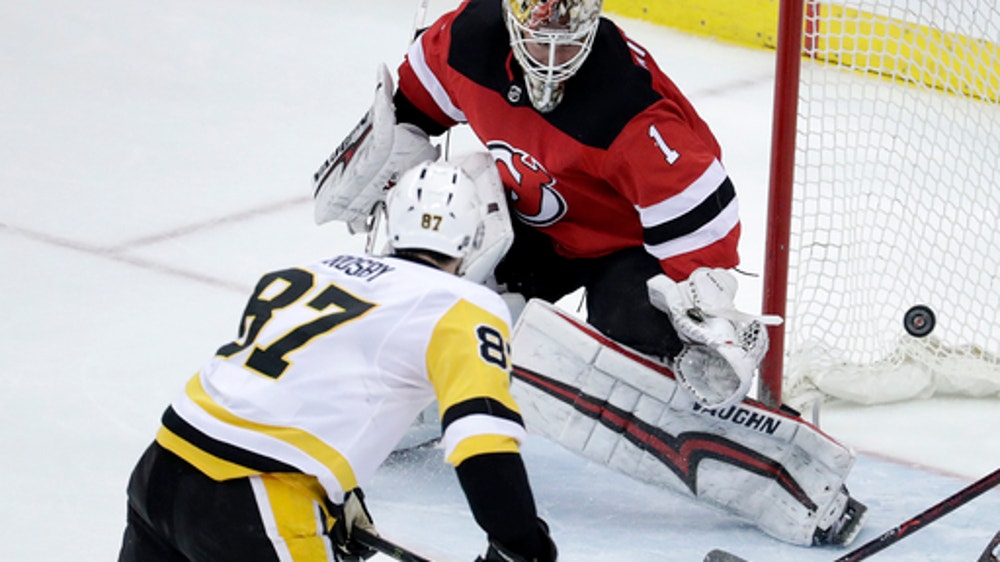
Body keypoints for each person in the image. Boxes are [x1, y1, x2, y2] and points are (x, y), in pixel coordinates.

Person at [311, 0, 866, 549]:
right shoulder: (467, 40)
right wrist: (388, 154)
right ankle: (402, 396)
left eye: (570, 39)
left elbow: (702, 222)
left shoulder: (628, 105)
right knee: (441, 290)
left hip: (627, 248)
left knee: (632, 351)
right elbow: (410, 111)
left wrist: (703, 310)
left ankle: (782, 473)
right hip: (526, 223)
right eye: (539, 36)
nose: (552, 56)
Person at [118, 155, 557, 562]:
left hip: (160, 468)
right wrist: (521, 545)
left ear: (392, 222)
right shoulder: (464, 305)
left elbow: (289, 387)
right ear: (475, 238)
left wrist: (337, 494)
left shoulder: (311, 272)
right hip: (258, 500)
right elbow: (481, 438)